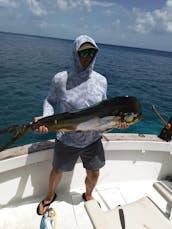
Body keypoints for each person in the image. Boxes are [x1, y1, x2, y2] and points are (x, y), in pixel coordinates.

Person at [36, 35, 127, 215]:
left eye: (92, 52)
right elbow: (49, 100)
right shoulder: (61, 79)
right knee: (57, 171)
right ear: (75, 53)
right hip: (67, 139)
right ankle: (49, 196)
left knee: (94, 173)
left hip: (93, 140)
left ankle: (89, 195)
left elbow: (104, 109)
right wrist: (46, 117)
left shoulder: (101, 80)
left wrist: (118, 122)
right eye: (83, 52)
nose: (87, 56)